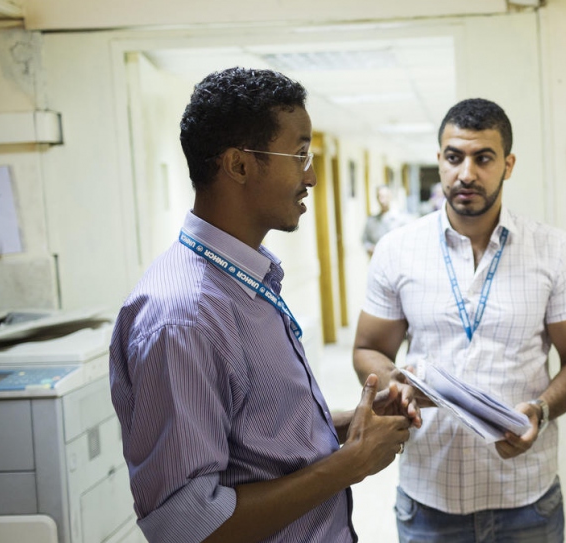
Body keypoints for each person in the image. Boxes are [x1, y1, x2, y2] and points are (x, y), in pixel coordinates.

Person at [109, 67, 416, 543]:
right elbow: (186, 525)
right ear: (239, 165)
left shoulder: (247, 279)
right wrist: (347, 466)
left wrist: (349, 424)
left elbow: (256, 440)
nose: (311, 175)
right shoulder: (183, 316)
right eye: (299, 155)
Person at [353, 98, 566, 543]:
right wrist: (397, 383)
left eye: (482, 158)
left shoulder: (553, 249)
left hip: (527, 497)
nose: (466, 173)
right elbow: (368, 348)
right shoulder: (397, 249)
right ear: (440, 160)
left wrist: (541, 412)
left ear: (507, 164)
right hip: (430, 494)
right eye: (454, 157)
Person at [362, 184, 412, 255]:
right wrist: (370, 248)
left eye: (385, 196)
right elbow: (365, 239)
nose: (382, 200)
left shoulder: (401, 218)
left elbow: (408, 239)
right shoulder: (371, 221)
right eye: (380, 197)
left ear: (390, 196)